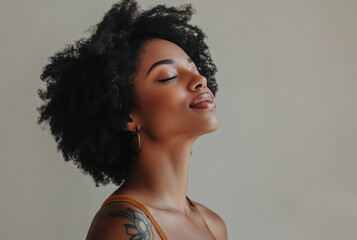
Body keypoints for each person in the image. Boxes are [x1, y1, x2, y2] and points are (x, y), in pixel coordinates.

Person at [37, 0, 227, 239]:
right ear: (125, 114)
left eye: (194, 67)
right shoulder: (121, 227)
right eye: (168, 76)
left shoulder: (213, 224)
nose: (200, 80)